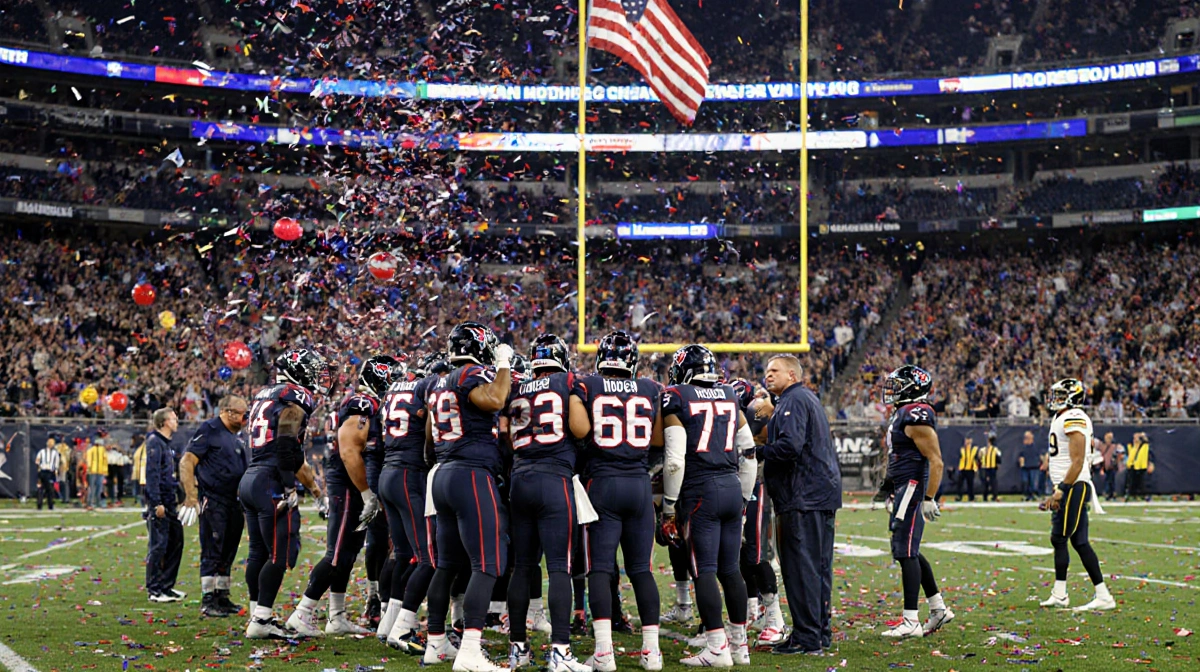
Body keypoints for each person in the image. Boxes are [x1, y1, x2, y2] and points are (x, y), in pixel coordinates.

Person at [570, 330, 664, 672]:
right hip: (638, 483)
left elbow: (579, 430)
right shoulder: (650, 388)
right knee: (641, 570)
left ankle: (604, 652)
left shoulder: (587, 385)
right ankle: (652, 652)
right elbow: (657, 439)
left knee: (599, 568)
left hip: (602, 483)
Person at [422, 322, 513, 671]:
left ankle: (435, 643)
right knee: (488, 563)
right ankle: (471, 650)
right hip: (470, 474)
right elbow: (495, 399)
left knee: (447, 564)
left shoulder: (438, 382)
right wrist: (503, 364)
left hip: (443, 472)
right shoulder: (470, 374)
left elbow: (429, 440)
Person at [288, 355, 399, 637]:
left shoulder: (366, 402)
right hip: (348, 481)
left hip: (352, 480)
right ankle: (302, 612)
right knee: (337, 553)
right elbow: (349, 451)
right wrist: (366, 493)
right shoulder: (362, 403)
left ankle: (336, 616)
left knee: (349, 552)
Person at [660, 345, 758, 667]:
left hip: (701, 491)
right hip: (732, 487)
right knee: (731, 570)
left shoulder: (677, 396)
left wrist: (669, 505)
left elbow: (675, 461)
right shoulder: (729, 394)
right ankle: (740, 647)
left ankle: (717, 647)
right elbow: (749, 454)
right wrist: (743, 499)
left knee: (704, 571)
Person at [501, 334, 592, 672]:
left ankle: (518, 649)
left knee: (522, 566)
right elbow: (581, 429)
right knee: (558, 568)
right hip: (554, 479)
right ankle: (560, 652)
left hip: (520, 478)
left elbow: (507, 435)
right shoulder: (567, 382)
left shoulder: (516, 387)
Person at [239, 348, 329, 639]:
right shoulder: (295, 396)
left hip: (252, 477)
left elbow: (293, 455)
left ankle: (256, 614)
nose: (316, 376)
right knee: (281, 554)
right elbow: (287, 444)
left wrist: (316, 492)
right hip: (271, 481)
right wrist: (289, 486)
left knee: (258, 552)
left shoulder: (265, 394)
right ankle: (261, 620)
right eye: (312, 370)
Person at [754, 355, 842, 654]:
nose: (768, 375)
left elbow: (790, 446)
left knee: (801, 568)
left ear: (791, 375)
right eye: (766, 371)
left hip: (802, 495)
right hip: (814, 494)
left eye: (774, 370)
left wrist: (756, 451)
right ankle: (818, 633)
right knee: (817, 568)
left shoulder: (794, 400)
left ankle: (807, 637)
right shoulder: (799, 399)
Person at [381, 351, 451, 653]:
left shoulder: (395, 388)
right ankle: (402, 629)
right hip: (409, 475)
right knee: (429, 558)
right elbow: (431, 430)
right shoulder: (429, 385)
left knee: (405, 555)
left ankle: (388, 625)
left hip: (388, 473)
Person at [878, 365, 954, 638]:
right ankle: (938, 608)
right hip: (903, 488)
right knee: (907, 548)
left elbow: (936, 460)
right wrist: (887, 489)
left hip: (911, 488)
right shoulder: (903, 412)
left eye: (898, 385)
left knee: (906, 551)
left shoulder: (915, 413)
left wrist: (929, 498)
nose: (892, 390)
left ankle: (911, 620)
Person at [1039, 379, 1114, 611]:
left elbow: (1078, 460)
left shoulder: (1074, 416)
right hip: (1069, 484)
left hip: (1073, 485)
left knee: (1059, 538)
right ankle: (1102, 595)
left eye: (1061, 395)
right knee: (1079, 541)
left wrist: (1062, 488)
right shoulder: (1062, 416)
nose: (1056, 399)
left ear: (1073, 397)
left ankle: (1062, 594)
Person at [178, 395, 250, 617]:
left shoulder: (235, 437)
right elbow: (187, 461)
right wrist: (191, 496)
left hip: (234, 501)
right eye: (243, 414)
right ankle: (208, 598)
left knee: (228, 549)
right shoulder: (209, 429)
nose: (245, 419)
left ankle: (222, 595)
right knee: (213, 548)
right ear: (228, 412)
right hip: (214, 498)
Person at [728, 379, 786, 647]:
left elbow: (759, 437)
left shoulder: (756, 411)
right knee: (740, 554)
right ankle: (754, 611)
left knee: (755, 552)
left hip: (754, 483)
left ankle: (776, 618)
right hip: (733, 484)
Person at [145, 408, 186, 603]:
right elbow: (152, 475)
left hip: (170, 501)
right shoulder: (155, 442)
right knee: (158, 546)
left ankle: (167, 586)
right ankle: (154, 589)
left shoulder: (166, 444)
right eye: (173, 418)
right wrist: (156, 503)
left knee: (176, 541)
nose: (176, 421)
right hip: (161, 502)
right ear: (164, 422)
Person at [35, 438, 62, 510]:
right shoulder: (43, 452)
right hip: (46, 472)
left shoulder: (53, 453)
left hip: (48, 472)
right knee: (45, 489)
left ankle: (46, 504)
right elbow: (37, 461)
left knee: (47, 489)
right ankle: (44, 504)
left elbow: (56, 463)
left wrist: (55, 471)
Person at [1125, 432, 1152, 502]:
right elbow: (1131, 455)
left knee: (1143, 482)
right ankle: (1131, 495)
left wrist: (1143, 437)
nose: (1135, 439)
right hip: (1133, 465)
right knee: (1132, 482)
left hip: (1142, 466)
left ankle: (1144, 495)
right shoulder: (1132, 446)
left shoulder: (1145, 445)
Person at [1094, 432, 1120, 501]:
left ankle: (1111, 494)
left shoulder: (1114, 447)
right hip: (1105, 466)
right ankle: (1109, 494)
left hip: (1112, 467)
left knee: (1111, 481)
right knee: (1107, 480)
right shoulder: (1103, 446)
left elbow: (1116, 456)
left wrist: (1115, 464)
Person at [85, 437, 108, 509]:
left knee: (98, 488)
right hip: (93, 471)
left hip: (98, 471)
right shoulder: (91, 450)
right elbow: (89, 460)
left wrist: (105, 471)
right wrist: (89, 469)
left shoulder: (102, 450)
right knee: (93, 488)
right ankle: (92, 502)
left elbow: (105, 461)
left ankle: (96, 502)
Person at [979, 434, 1001, 502]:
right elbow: (979, 458)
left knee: (992, 482)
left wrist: (997, 465)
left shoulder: (995, 450)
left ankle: (994, 496)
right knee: (986, 483)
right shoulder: (983, 450)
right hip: (985, 467)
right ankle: (986, 496)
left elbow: (998, 459)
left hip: (991, 467)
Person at [956, 437, 979, 502]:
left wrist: (976, 468)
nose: (967, 442)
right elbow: (959, 458)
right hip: (963, 469)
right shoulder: (962, 449)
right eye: (966, 440)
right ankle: (959, 496)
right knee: (960, 484)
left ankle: (971, 497)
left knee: (970, 484)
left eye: (968, 440)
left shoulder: (974, 449)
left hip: (971, 469)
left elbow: (977, 458)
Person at [1018, 432, 1039, 501]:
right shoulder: (1023, 447)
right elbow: (1021, 455)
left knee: (1033, 482)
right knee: (1025, 481)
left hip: (1033, 467)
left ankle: (1033, 494)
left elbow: (1039, 455)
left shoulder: (1036, 446)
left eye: (1027, 437)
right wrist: (1021, 462)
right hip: (1025, 467)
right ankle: (1027, 495)